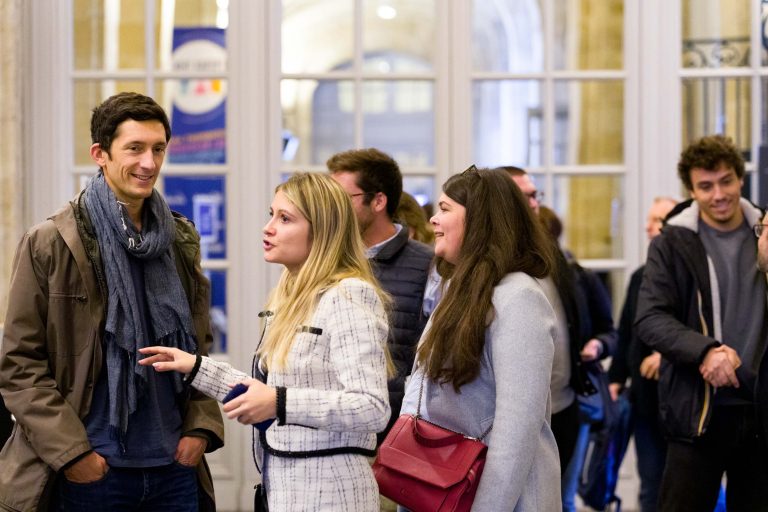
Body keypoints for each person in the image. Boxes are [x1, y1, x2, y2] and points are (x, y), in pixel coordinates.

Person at [0, 92, 224, 511]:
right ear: (100, 154)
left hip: (174, 469)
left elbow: (199, 348)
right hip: (90, 473)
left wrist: (200, 429)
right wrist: (75, 456)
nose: (149, 163)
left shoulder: (179, 240)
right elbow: (20, 365)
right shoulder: (50, 242)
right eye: (134, 148)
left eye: (158, 149)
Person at [140, 172, 392, 512]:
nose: (268, 227)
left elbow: (371, 408)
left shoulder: (348, 294)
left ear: (322, 230)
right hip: (283, 489)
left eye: (285, 218)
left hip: (333, 494)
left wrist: (280, 402)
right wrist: (195, 366)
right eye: (271, 214)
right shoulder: (291, 295)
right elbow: (268, 392)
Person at [399, 166, 561, 511]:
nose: (433, 221)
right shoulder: (459, 288)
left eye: (445, 209)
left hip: (497, 499)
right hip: (449, 490)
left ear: (479, 220)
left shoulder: (518, 297)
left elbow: (516, 431)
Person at [635, 134, 768, 511]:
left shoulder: (765, 230)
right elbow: (650, 317)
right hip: (696, 410)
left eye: (726, 181)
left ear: (740, 179)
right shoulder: (673, 241)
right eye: (705, 186)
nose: (718, 194)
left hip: (759, 408)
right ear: (691, 190)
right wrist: (705, 351)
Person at [499, 166, 617, 512]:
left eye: (536, 196)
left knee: (559, 502)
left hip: (564, 405)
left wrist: (597, 345)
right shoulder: (486, 266)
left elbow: (603, 327)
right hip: (508, 415)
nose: (534, 203)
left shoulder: (557, 260)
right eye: (526, 196)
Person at [327, 148, 433, 444]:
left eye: (342, 199)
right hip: (330, 432)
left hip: (396, 436)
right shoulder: (323, 262)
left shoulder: (428, 265)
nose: (332, 208)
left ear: (378, 201)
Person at [608, 196, 677, 512]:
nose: (648, 227)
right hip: (645, 401)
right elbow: (627, 334)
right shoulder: (639, 276)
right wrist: (616, 378)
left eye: (657, 220)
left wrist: (667, 356)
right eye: (649, 220)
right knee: (650, 487)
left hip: (683, 402)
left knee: (683, 488)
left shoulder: (690, 274)